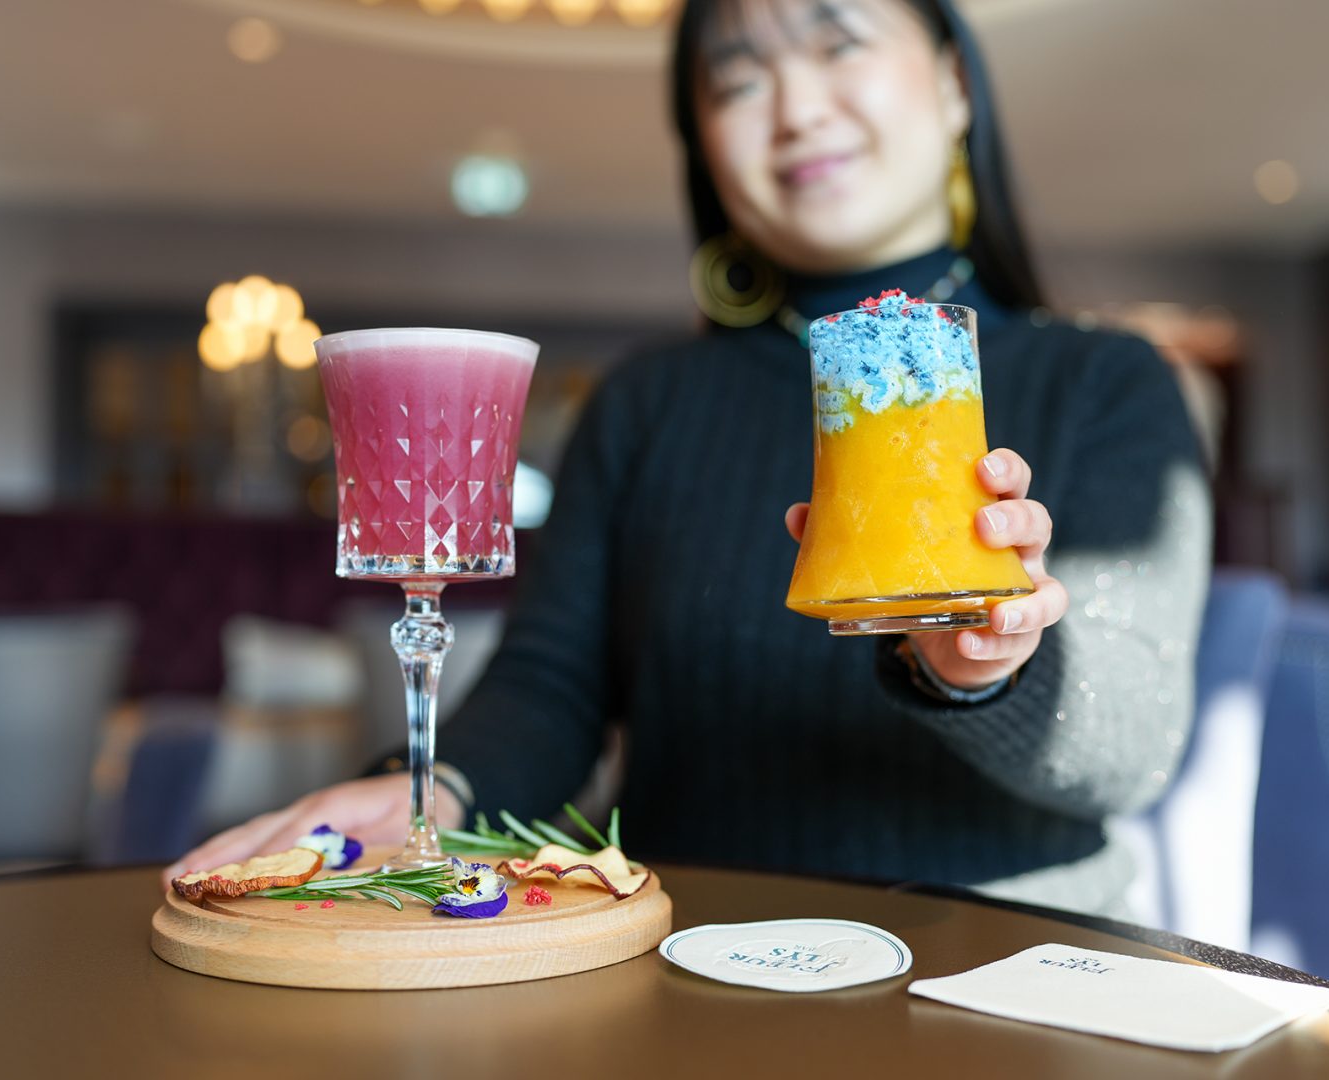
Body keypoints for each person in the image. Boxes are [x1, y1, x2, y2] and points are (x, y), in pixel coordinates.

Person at [174, 0, 1210, 917]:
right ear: (703, 147)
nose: (795, 107)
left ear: (951, 82)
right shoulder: (648, 403)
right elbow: (552, 685)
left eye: (837, 39)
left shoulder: (1108, 382)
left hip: (1003, 966)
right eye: (737, 78)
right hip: (698, 954)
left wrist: (989, 665)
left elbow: (1134, 746)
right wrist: (434, 791)